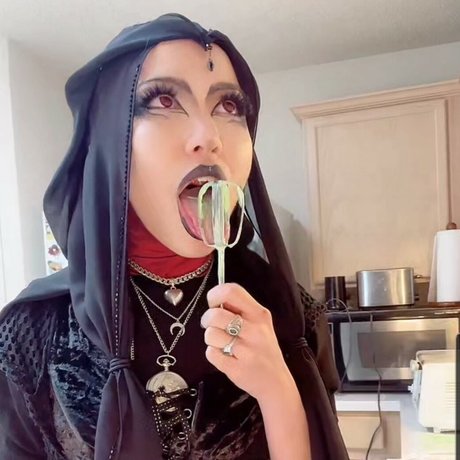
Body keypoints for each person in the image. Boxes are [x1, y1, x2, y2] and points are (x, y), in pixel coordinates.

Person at [0, 13, 348, 460]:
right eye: (164, 100)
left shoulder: (291, 318)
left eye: (229, 106)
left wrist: (278, 391)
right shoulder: (33, 331)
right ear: (111, 138)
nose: (209, 137)